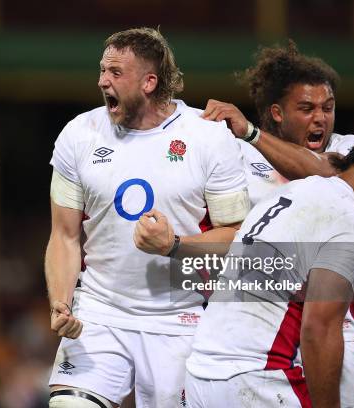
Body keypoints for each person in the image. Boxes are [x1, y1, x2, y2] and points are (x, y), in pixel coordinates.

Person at [46, 27, 250, 408]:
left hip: (179, 318)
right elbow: (64, 235)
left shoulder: (207, 137)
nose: (102, 80)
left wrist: (174, 246)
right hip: (100, 311)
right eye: (102, 70)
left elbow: (238, 238)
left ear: (149, 82)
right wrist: (61, 300)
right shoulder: (79, 134)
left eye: (115, 73)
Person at [184, 126, 354, 407]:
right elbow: (318, 327)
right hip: (258, 378)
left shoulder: (292, 191)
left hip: (202, 372)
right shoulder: (351, 222)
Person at [201, 40, 354, 206]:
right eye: (307, 109)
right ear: (277, 113)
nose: (320, 118)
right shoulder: (241, 153)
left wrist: (250, 132)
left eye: (328, 108)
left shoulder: (350, 146)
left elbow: (328, 171)